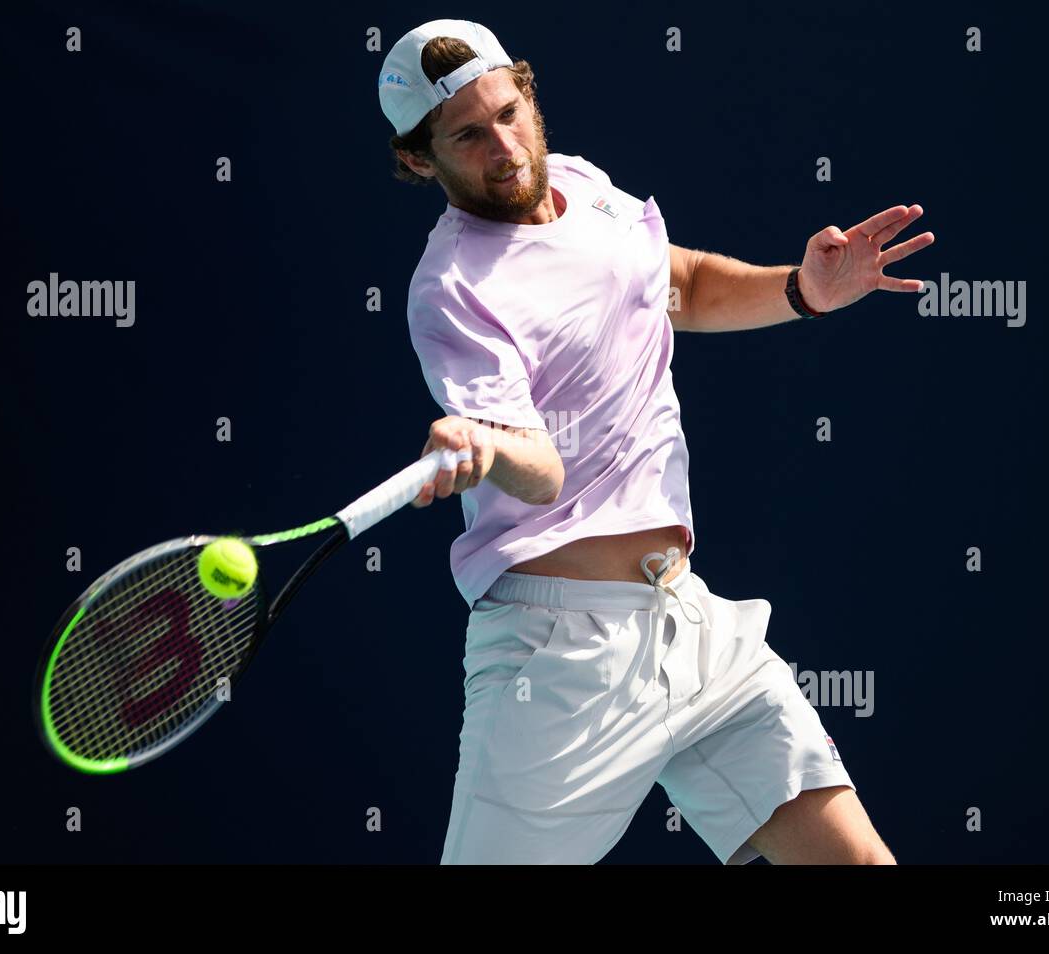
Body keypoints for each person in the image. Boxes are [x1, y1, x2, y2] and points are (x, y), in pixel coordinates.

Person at [380, 18, 932, 864]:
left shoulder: (582, 185)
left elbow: (681, 285)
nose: (506, 146)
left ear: (527, 93)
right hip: (559, 664)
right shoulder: (452, 290)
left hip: (691, 621)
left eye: (510, 111)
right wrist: (488, 447)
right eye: (468, 135)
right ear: (421, 160)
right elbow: (541, 471)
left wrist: (803, 288)